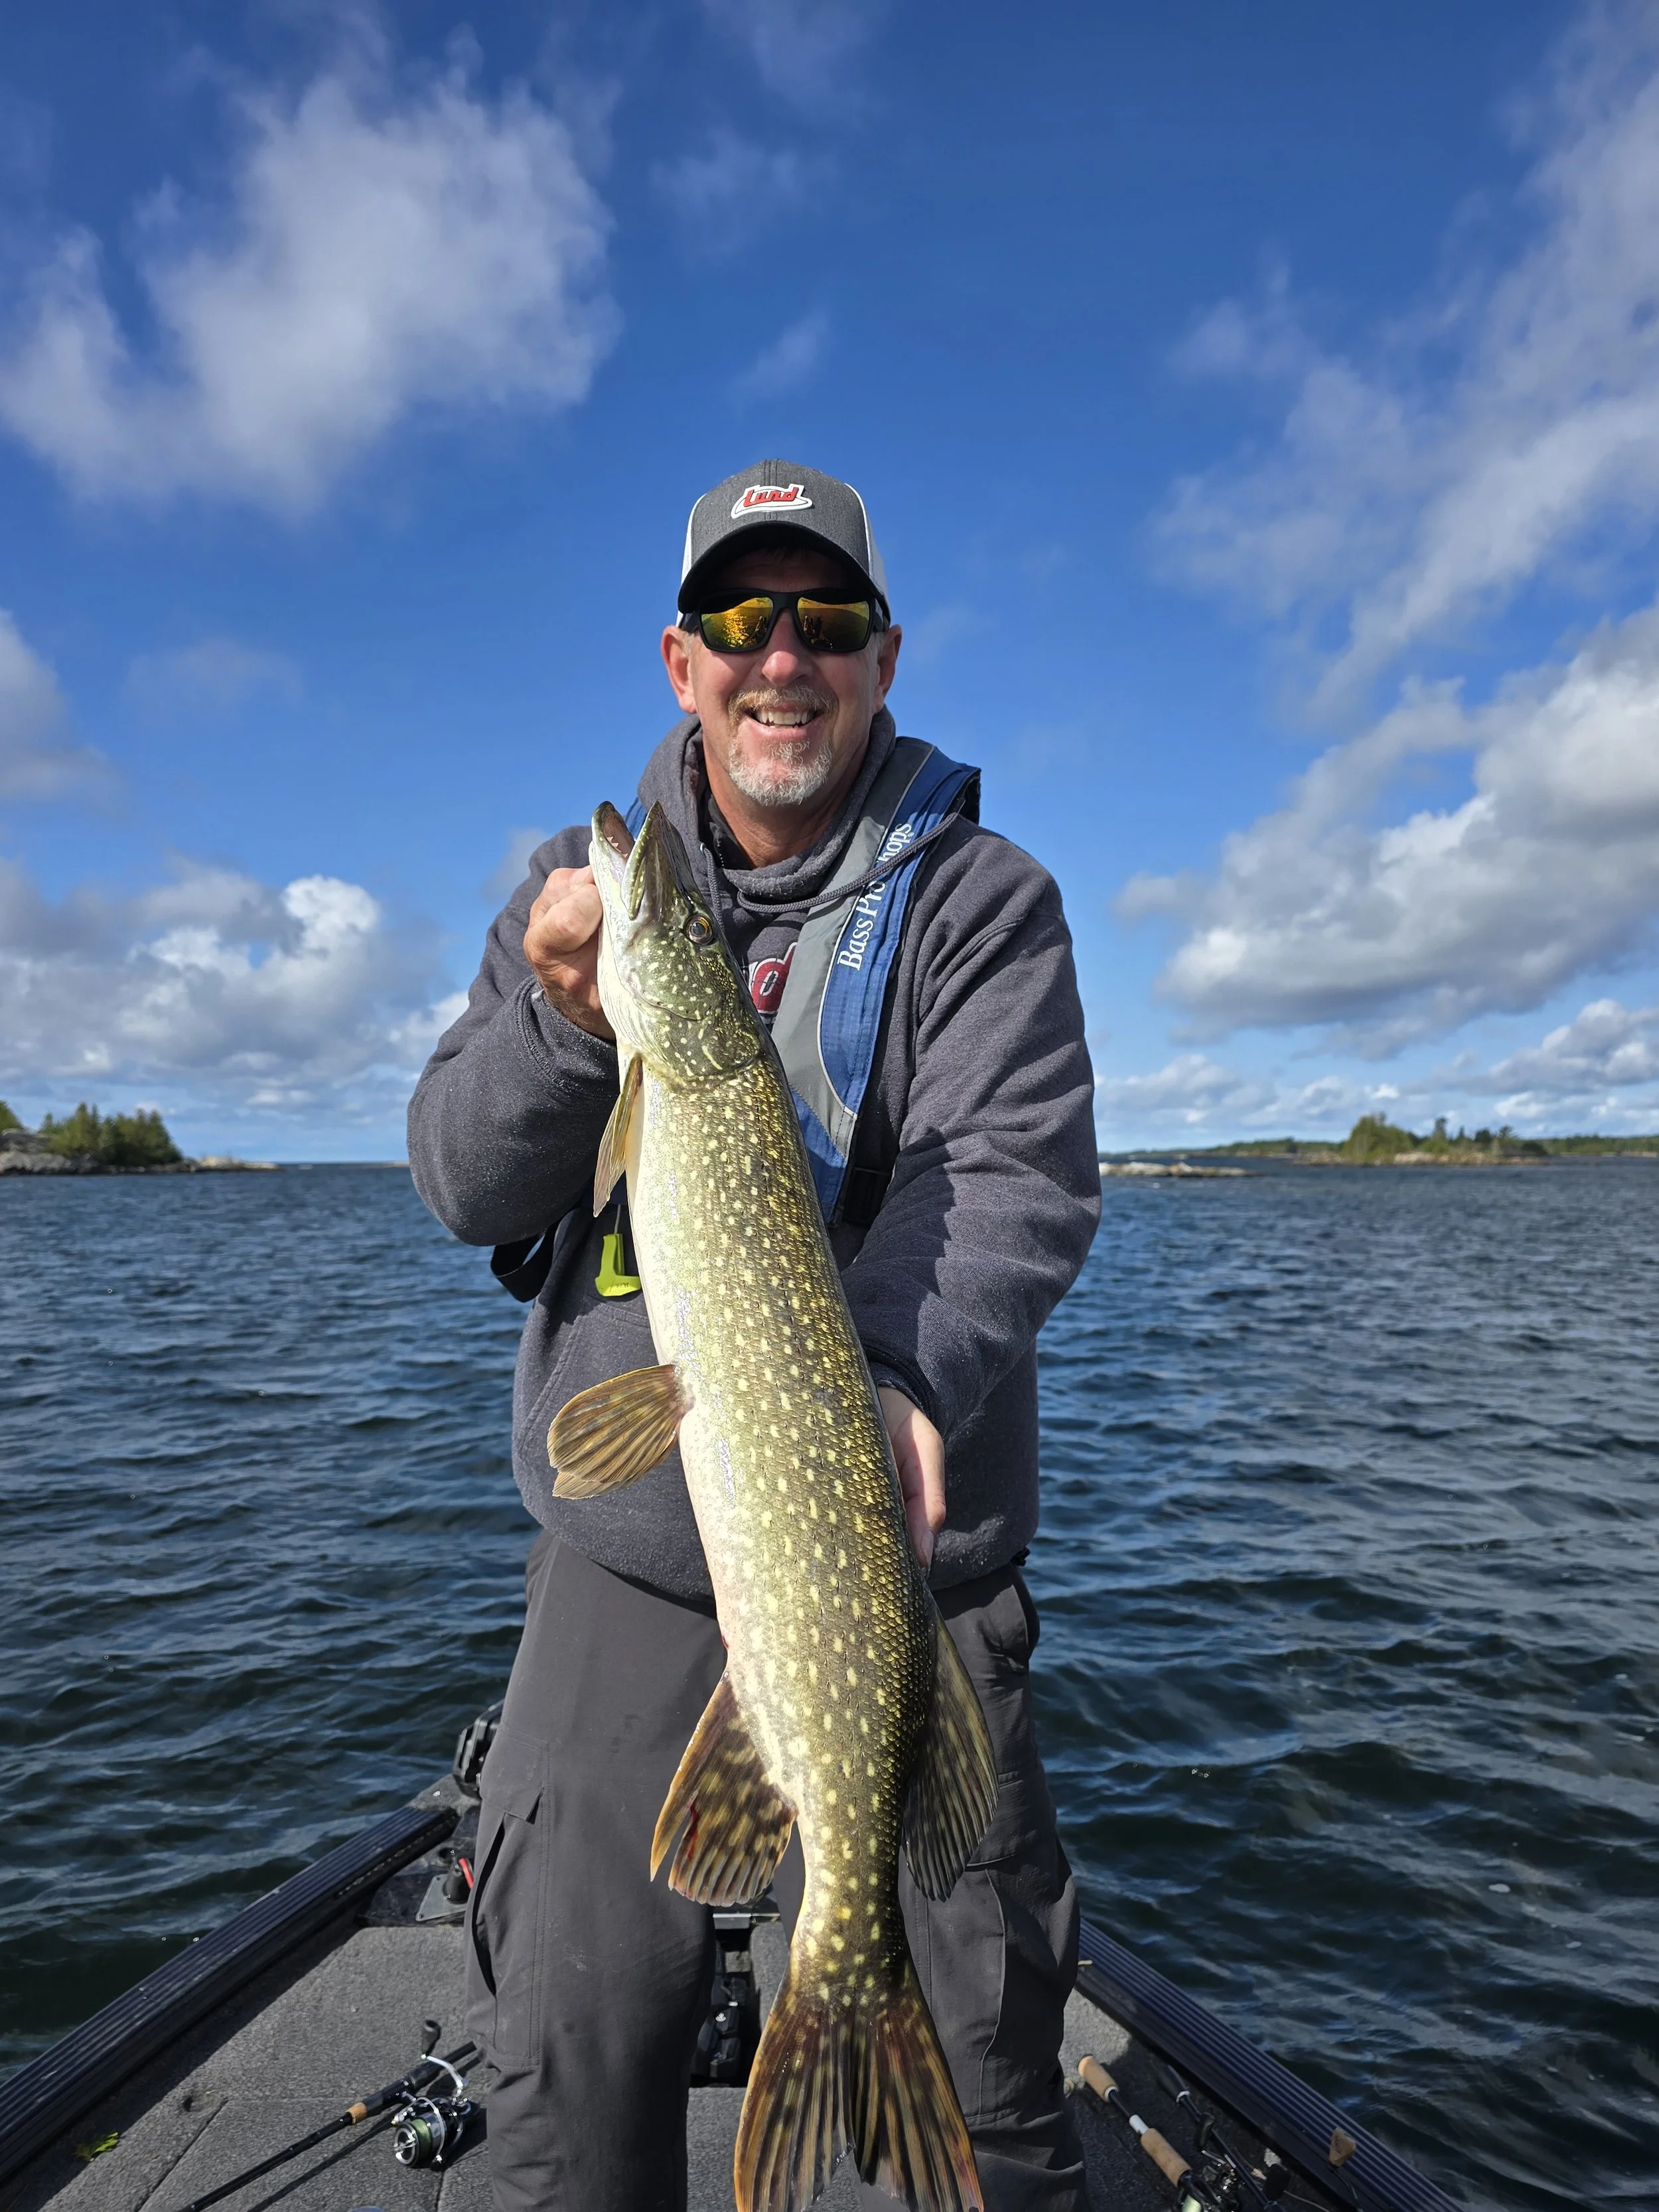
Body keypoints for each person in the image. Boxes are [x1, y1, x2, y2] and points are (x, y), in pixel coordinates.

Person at [407, 461, 1101, 2212]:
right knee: (561, 2077)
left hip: (903, 1567)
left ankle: (871, 2025)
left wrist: (895, 1379)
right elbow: (464, 1182)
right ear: (680, 660)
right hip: (633, 1555)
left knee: (979, 2115)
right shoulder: (576, 906)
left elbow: (1010, 1176)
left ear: (881, 656)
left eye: (825, 617)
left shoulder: (983, 902)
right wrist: (570, 1026)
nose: (779, 656)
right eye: (737, 616)